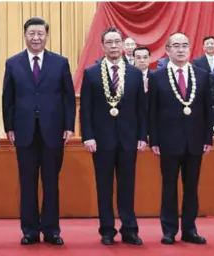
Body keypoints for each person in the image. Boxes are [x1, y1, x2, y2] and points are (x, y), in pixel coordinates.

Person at [2, 17, 76, 245]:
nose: (36, 38)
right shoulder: (13, 63)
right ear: (25, 36)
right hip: (24, 131)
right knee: (27, 182)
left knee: (51, 182)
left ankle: (52, 230)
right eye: (31, 34)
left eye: (40, 34)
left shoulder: (60, 62)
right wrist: (9, 126)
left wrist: (69, 126)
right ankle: (30, 230)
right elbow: (8, 98)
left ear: (46, 35)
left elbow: (68, 97)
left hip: (53, 131)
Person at [80, 27, 146, 246]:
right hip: (101, 140)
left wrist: (142, 136)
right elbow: (86, 109)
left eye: (117, 42)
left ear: (124, 45)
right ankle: (107, 230)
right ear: (102, 46)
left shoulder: (135, 73)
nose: (114, 46)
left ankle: (130, 229)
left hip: (128, 139)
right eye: (109, 42)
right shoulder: (91, 73)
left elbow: (141, 109)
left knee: (128, 186)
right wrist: (88, 136)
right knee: (104, 186)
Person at [148, 32, 211, 245]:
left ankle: (190, 229)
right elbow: (152, 111)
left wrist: (208, 138)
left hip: (195, 141)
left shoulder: (202, 75)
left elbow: (207, 109)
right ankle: (169, 230)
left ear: (190, 48)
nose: (181, 49)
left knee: (192, 187)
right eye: (176, 46)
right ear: (167, 49)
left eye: (185, 45)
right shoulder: (157, 76)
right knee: (169, 186)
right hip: (167, 141)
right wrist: (154, 140)